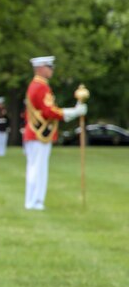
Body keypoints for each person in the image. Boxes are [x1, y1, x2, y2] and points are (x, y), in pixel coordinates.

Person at [23, 55, 85, 210]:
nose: (52, 70)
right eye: (49, 67)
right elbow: (48, 111)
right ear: (41, 68)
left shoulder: (36, 85)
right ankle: (36, 201)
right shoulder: (41, 87)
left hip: (35, 133)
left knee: (34, 168)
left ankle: (32, 201)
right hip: (39, 134)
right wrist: (73, 112)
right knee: (39, 169)